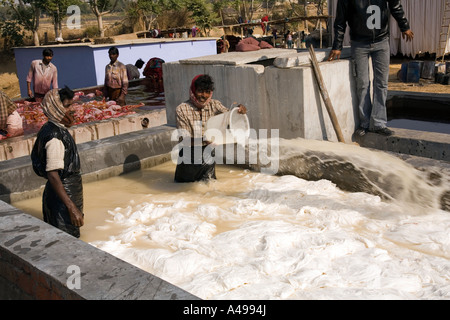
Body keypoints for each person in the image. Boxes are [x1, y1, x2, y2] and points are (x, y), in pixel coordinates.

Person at [328, 0, 414, 137]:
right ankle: (365, 124)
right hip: (359, 43)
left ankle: (379, 123)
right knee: (363, 83)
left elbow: (395, 6)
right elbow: (340, 20)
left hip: (381, 41)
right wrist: (337, 46)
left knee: (381, 83)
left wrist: (404, 26)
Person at [31, 86, 84, 238]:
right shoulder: (54, 136)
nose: (72, 110)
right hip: (63, 198)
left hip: (63, 194)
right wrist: (71, 207)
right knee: (66, 240)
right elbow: (53, 174)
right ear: (56, 109)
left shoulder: (52, 128)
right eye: (67, 106)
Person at [174, 74, 247, 183]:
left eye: (207, 92)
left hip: (208, 153)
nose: (204, 95)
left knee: (210, 185)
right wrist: (204, 140)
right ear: (193, 90)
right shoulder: (182, 109)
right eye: (200, 91)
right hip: (189, 155)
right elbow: (184, 140)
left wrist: (239, 109)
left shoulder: (214, 105)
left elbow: (230, 116)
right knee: (183, 189)